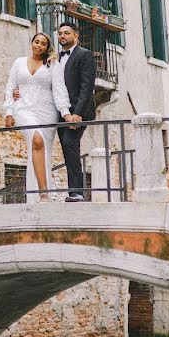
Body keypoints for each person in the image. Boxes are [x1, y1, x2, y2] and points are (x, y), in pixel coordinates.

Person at [3, 33, 75, 204]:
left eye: (43, 44)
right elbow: (10, 87)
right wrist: (8, 112)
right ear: (32, 43)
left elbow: (59, 89)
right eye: (36, 42)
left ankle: (41, 194)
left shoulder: (53, 64)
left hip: (46, 111)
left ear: (46, 47)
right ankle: (43, 193)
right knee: (36, 140)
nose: (39, 46)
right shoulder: (19, 62)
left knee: (42, 149)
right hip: (23, 108)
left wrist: (65, 113)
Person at [55, 21, 97, 202]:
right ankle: (75, 191)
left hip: (80, 112)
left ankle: (77, 192)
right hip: (61, 113)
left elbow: (87, 86)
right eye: (60, 33)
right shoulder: (56, 58)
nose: (62, 36)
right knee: (67, 148)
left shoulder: (85, 55)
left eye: (66, 33)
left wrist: (78, 113)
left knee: (70, 144)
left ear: (75, 36)